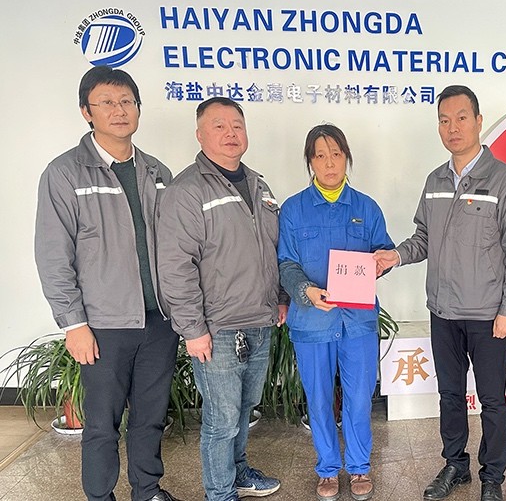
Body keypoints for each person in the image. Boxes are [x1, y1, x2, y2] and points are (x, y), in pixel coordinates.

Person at [374, 85, 506, 501]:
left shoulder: (504, 181)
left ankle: (493, 477)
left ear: (478, 121)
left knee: (492, 400)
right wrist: (395, 256)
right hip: (443, 311)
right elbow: (423, 239)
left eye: (461, 118)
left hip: (488, 315)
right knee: (449, 394)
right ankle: (455, 465)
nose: (453, 127)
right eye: (444, 120)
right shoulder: (436, 181)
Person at [34, 66, 181, 501]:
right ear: (87, 112)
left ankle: (147, 490)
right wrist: (73, 324)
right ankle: (100, 496)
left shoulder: (157, 172)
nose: (119, 111)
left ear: (138, 108)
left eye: (127, 102)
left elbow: (177, 246)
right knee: (102, 423)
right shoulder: (66, 173)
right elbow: (53, 255)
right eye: (107, 103)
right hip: (103, 326)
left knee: (150, 417)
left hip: (159, 321)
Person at [157, 97, 287, 501]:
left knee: (245, 408)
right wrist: (192, 329)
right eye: (219, 126)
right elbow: (175, 266)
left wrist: (281, 297)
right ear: (200, 135)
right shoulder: (186, 190)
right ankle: (219, 492)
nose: (231, 133)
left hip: (260, 320)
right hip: (217, 329)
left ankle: (239, 471)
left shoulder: (259, 185)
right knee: (222, 418)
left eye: (237, 125)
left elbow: (275, 248)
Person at [278, 124, 395, 501]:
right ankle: (328, 467)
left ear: (347, 158)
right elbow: (286, 263)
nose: (329, 163)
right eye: (320, 155)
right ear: (310, 162)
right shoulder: (293, 209)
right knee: (318, 398)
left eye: (336, 154)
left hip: (357, 323)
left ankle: (359, 466)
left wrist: (380, 263)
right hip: (312, 323)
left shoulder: (366, 207)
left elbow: (383, 251)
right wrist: (306, 291)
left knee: (360, 397)